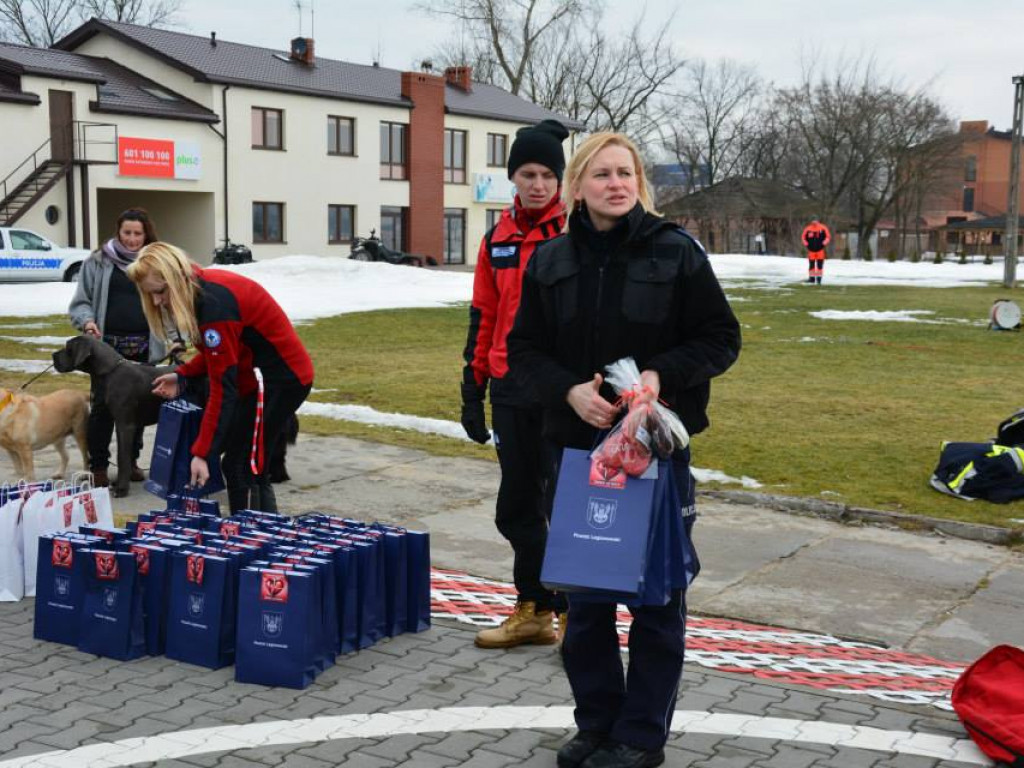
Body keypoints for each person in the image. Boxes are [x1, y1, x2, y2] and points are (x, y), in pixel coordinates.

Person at [507, 132, 741, 768]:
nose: (617, 184)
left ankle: (640, 736)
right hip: (579, 455)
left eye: (626, 173)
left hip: (652, 456)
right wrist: (568, 392)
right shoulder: (551, 259)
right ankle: (596, 725)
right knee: (585, 604)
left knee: (656, 602)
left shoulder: (676, 251)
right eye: (603, 174)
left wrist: (661, 375)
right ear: (578, 187)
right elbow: (523, 351)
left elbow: (721, 338)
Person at [460, 118, 570, 649]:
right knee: (517, 508)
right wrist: (472, 386)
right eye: (528, 174)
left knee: (563, 506)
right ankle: (535, 610)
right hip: (509, 388)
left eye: (548, 175)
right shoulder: (497, 239)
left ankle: (574, 615)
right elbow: (483, 314)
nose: (538, 184)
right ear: (513, 178)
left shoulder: (576, 233)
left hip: (563, 391)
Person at [126, 242, 313, 513]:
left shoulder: (214, 306)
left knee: (241, 465)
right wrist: (182, 374)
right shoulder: (200, 289)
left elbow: (223, 388)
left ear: (176, 278)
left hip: (281, 381)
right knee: (250, 464)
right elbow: (221, 355)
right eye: (149, 295)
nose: (156, 301)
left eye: (159, 292)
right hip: (260, 377)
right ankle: (264, 531)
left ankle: (250, 535)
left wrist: (202, 453)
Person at [68, 208, 168, 488]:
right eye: (127, 232)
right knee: (102, 408)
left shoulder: (156, 262)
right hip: (106, 352)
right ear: (118, 231)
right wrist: (87, 322)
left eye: (138, 233)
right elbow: (81, 301)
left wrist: (175, 339)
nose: (132, 239)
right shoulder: (97, 261)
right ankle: (99, 466)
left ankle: (130, 462)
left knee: (138, 408)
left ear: (146, 234)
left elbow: (168, 303)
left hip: (145, 349)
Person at [801, 218, 831, 284]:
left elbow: (828, 237)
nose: (814, 221)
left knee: (819, 266)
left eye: (815, 220)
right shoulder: (808, 229)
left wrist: (823, 244)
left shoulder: (823, 228)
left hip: (820, 250)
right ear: (811, 221)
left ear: (818, 220)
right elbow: (803, 238)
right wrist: (807, 245)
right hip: (811, 251)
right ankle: (812, 279)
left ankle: (819, 279)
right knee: (811, 265)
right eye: (813, 220)